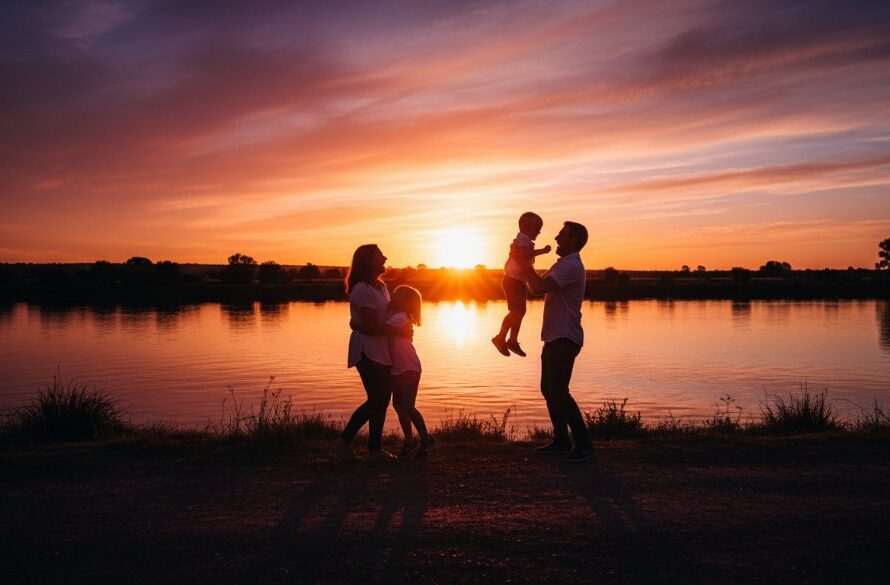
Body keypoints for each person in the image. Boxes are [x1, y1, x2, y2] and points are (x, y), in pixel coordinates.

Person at [517, 221, 595, 462]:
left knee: (558, 391)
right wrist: (526, 266)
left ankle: (584, 444)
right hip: (554, 336)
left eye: (562, 235)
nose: (557, 238)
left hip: (565, 337)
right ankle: (562, 440)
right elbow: (534, 289)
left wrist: (524, 262)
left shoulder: (571, 267)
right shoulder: (561, 264)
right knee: (548, 390)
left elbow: (538, 287)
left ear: (574, 240)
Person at [334, 244, 409, 462]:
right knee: (378, 398)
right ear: (368, 261)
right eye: (380, 255)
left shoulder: (380, 286)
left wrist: (403, 324)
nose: (385, 257)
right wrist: (399, 330)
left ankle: (373, 450)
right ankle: (345, 442)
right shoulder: (362, 290)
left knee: (380, 399)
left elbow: (380, 321)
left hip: (382, 349)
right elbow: (374, 325)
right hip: (367, 350)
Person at [492, 212, 551, 357]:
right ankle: (502, 338)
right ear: (526, 227)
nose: (539, 231)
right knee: (516, 312)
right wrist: (542, 251)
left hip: (517, 281)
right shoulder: (523, 240)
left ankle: (511, 340)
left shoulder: (524, 240)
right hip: (513, 280)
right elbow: (524, 255)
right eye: (537, 227)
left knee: (519, 312)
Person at [386, 285, 435, 458]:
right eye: (394, 292)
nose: (393, 296)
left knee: (406, 406)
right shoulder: (395, 316)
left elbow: (381, 328)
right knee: (399, 406)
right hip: (398, 368)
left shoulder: (400, 318)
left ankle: (425, 438)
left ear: (407, 303)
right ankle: (409, 440)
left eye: (398, 295)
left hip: (409, 367)